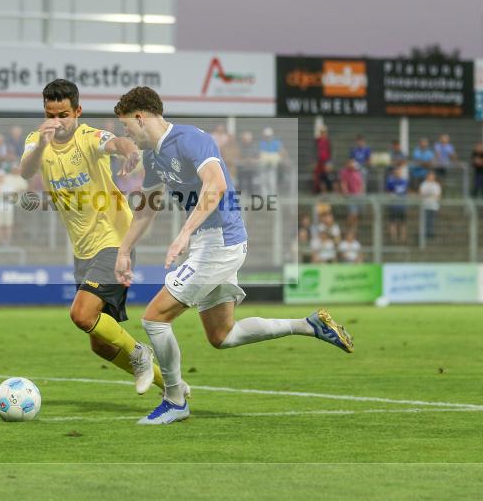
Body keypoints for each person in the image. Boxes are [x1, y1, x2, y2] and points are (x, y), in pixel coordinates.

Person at [113, 86, 353, 425]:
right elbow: (148, 209)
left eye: (126, 126)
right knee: (222, 335)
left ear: (140, 117)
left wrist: (183, 233)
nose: (127, 134)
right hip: (207, 243)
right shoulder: (153, 156)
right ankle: (309, 325)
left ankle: (175, 399)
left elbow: (216, 186)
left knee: (154, 318)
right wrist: (124, 249)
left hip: (220, 242)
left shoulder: (190, 139)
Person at [18, 79, 165, 396]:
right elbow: (26, 171)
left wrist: (130, 153)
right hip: (83, 251)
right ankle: (172, 385)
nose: (57, 122)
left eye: (64, 115)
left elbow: (116, 144)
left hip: (115, 241)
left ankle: (140, 353)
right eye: (50, 114)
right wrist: (43, 145)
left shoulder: (88, 137)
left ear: (78, 111)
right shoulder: (36, 141)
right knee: (99, 345)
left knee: (81, 314)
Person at [385, 163, 409, 244]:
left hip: (402, 205)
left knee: (403, 222)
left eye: (399, 171)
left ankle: (403, 238)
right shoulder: (390, 181)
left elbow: (406, 192)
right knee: (393, 222)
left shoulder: (404, 181)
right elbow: (388, 192)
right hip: (393, 205)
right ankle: (393, 238)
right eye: (397, 171)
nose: (398, 172)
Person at [339, 158, 365, 229]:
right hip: (350, 196)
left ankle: (354, 230)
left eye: (353, 163)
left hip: (359, 196)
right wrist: (346, 193)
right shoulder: (344, 172)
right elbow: (343, 183)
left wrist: (361, 193)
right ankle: (348, 228)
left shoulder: (358, 172)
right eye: (351, 163)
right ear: (348, 164)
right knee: (353, 214)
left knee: (356, 215)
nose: (352, 164)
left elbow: (361, 183)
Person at [419, 171, 442, 240]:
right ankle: (425, 234)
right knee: (425, 220)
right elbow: (421, 194)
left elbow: (438, 196)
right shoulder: (423, 184)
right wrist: (431, 195)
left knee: (432, 221)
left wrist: (429, 195)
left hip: (433, 206)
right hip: (425, 205)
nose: (431, 177)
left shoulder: (436, 185)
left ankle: (430, 234)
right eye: (430, 175)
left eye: (432, 176)